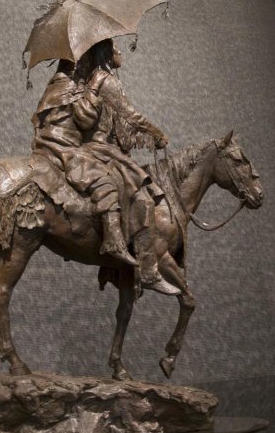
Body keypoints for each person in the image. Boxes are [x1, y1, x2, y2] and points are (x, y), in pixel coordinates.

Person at [31, 39, 179, 295]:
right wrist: (157, 134)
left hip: (87, 146)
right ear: (104, 52)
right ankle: (144, 267)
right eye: (113, 47)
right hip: (100, 149)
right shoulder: (104, 80)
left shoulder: (87, 82)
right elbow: (131, 115)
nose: (119, 52)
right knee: (142, 196)